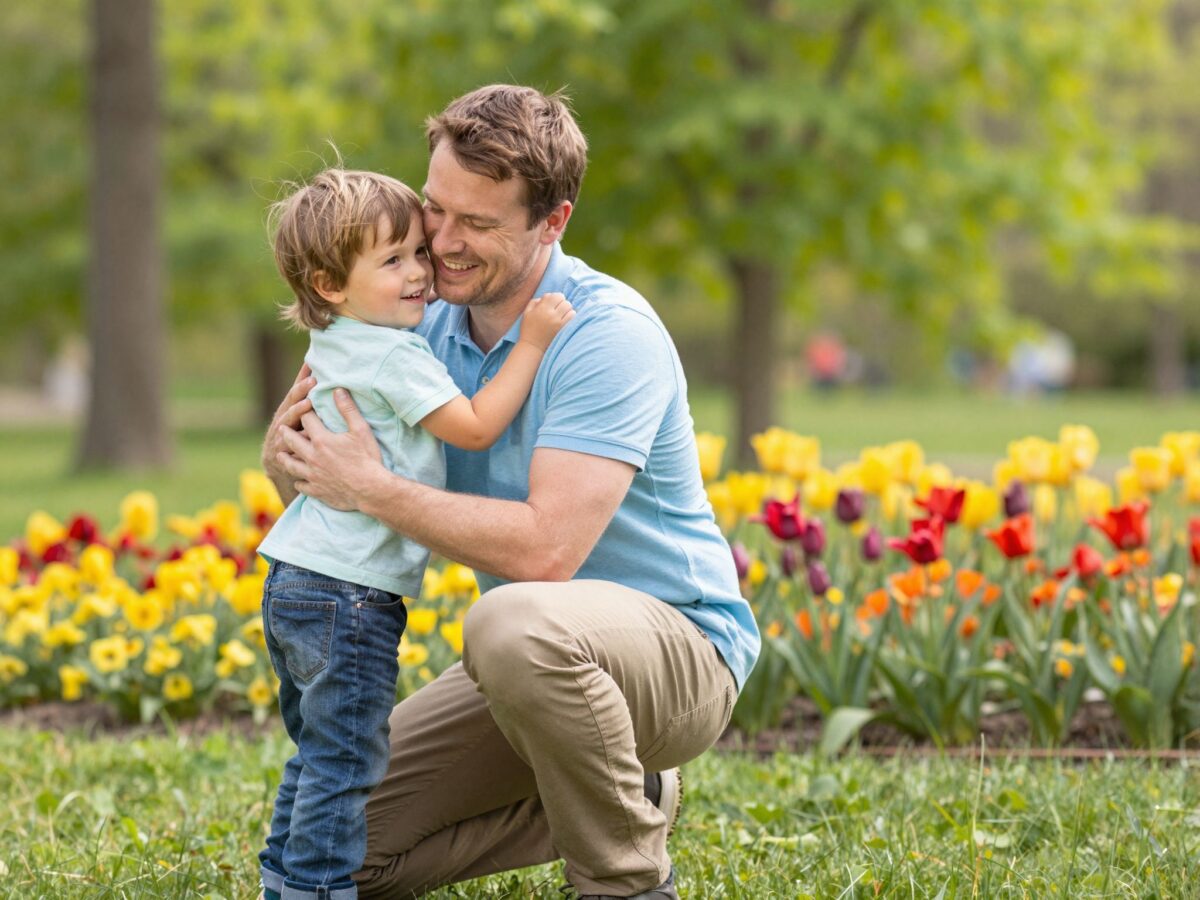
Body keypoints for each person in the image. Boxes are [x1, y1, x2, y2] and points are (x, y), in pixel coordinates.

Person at [263, 84, 760, 900]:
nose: (442, 246)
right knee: (340, 845)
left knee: (509, 618)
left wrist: (373, 488)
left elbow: (545, 552)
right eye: (435, 211)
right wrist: (289, 453)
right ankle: (629, 797)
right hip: (535, 665)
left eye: (480, 225)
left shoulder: (605, 335)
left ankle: (623, 880)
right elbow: (310, 458)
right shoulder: (407, 314)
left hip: (676, 653)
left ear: (552, 222)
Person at [256, 167, 574, 900]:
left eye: (417, 255)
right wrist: (531, 342)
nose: (420, 274)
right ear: (330, 283)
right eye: (393, 261)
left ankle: (283, 881)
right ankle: (316, 891)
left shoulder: (332, 340)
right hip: (351, 597)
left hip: (294, 581)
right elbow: (474, 425)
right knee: (347, 767)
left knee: (318, 754)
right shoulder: (394, 354)